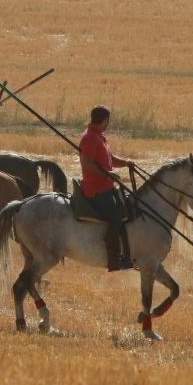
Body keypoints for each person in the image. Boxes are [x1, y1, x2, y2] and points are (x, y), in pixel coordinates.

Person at [79, 105, 135, 271]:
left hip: (107, 187)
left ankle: (127, 253)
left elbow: (110, 159)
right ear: (104, 120)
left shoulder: (99, 137)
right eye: (108, 120)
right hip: (96, 190)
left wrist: (125, 163)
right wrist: (107, 174)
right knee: (116, 219)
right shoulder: (89, 138)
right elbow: (86, 163)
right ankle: (113, 259)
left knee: (127, 211)